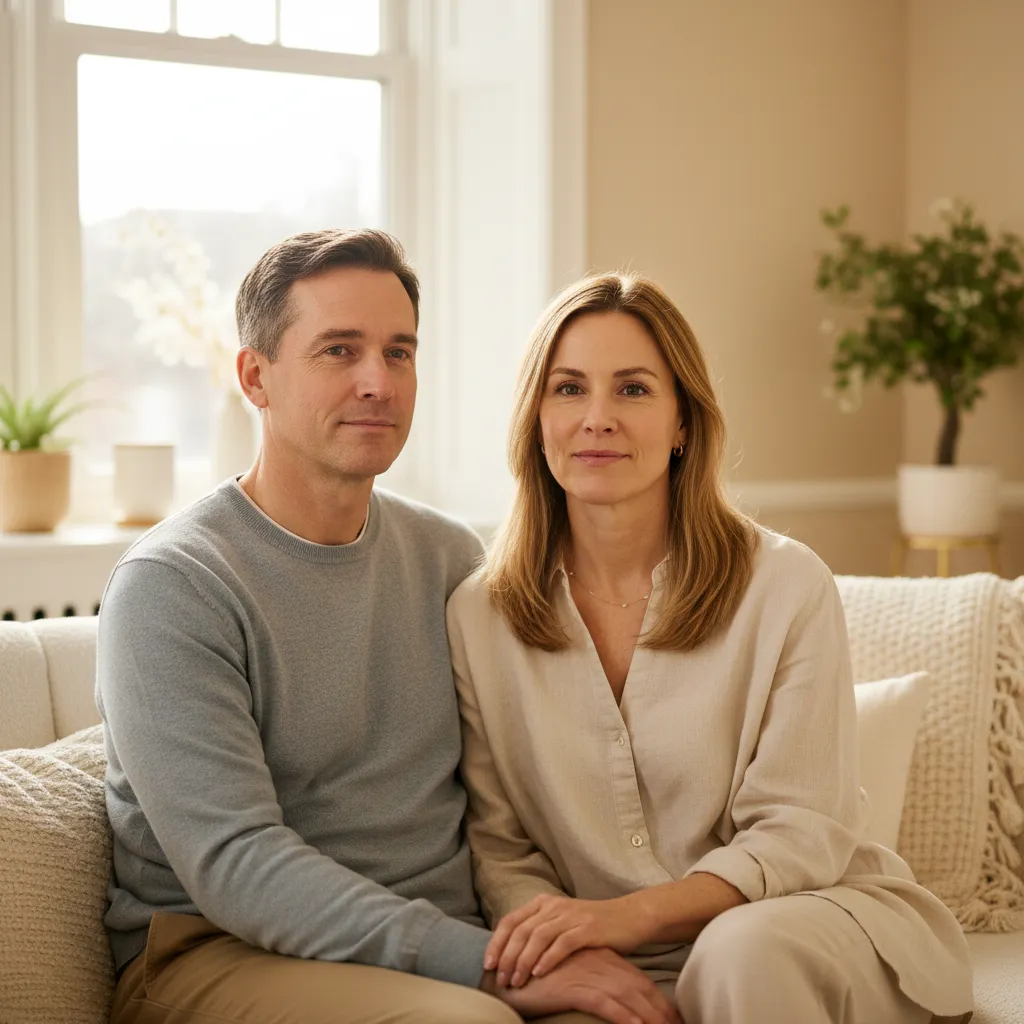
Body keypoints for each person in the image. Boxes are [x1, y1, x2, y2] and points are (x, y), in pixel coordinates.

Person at [97, 231, 681, 1024]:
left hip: (445, 946)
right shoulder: (174, 586)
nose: (378, 381)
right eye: (339, 350)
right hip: (219, 951)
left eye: (399, 352)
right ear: (254, 376)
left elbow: (513, 793)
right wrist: (481, 967)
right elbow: (236, 865)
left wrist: (569, 936)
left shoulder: (447, 558)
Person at [446, 272, 975, 1024]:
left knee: (738, 951)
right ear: (535, 419)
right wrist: (572, 940)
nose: (596, 418)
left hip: (800, 920)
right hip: (608, 951)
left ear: (684, 422)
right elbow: (500, 846)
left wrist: (626, 916)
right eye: (568, 390)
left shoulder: (786, 584)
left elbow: (799, 831)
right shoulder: (480, 615)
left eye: (632, 390)